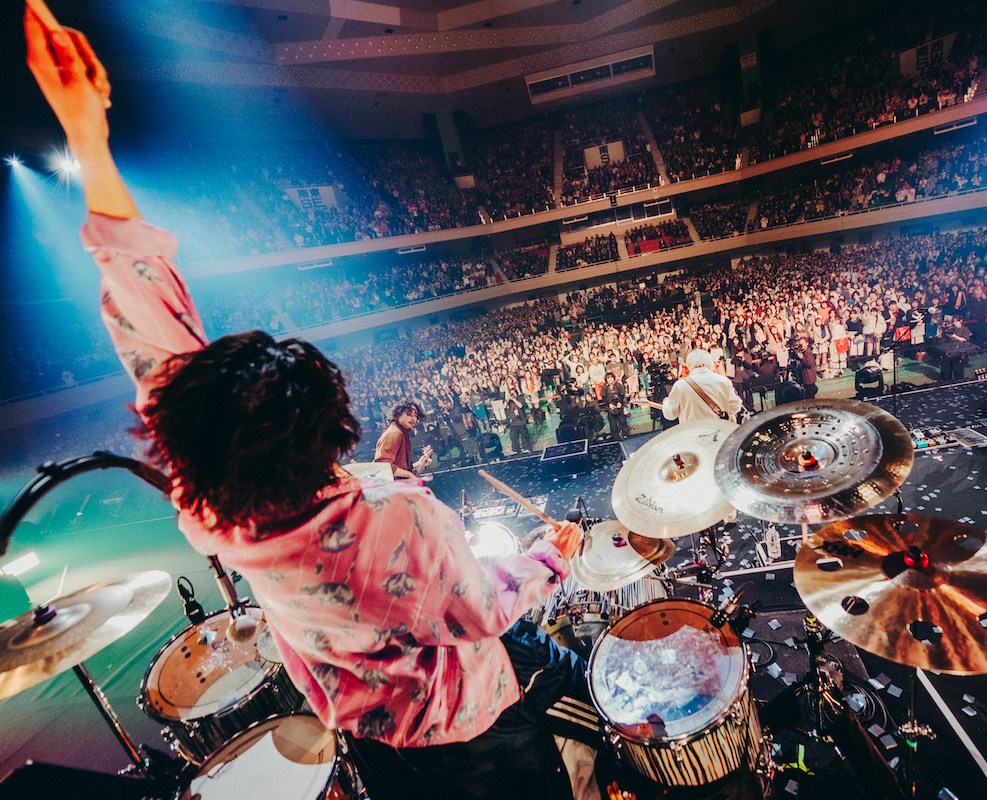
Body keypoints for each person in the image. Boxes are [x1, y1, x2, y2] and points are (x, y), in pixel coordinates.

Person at [23, 15, 594, 799]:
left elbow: (147, 314)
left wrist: (85, 138)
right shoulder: (401, 526)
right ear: (331, 431)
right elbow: (484, 609)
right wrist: (548, 555)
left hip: (375, 748)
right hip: (473, 741)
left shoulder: (217, 500)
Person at [661, 349, 742, 423]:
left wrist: (666, 403)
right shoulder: (724, 382)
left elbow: (671, 414)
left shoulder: (680, 385)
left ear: (689, 364)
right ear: (710, 363)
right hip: (718, 432)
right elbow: (735, 406)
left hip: (693, 433)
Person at [375, 400, 433, 478]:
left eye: (415, 415)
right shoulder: (394, 433)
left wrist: (419, 463)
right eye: (409, 414)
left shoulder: (401, 432)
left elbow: (399, 468)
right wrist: (409, 475)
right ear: (398, 415)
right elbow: (383, 466)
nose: (414, 419)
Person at [600, 372, 630, 440]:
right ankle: (615, 437)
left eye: (611, 377)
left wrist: (620, 402)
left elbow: (622, 395)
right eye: (608, 378)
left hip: (619, 407)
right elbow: (603, 398)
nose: (610, 379)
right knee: (613, 424)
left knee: (622, 422)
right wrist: (609, 404)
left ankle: (625, 434)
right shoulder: (604, 387)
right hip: (610, 408)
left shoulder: (618, 385)